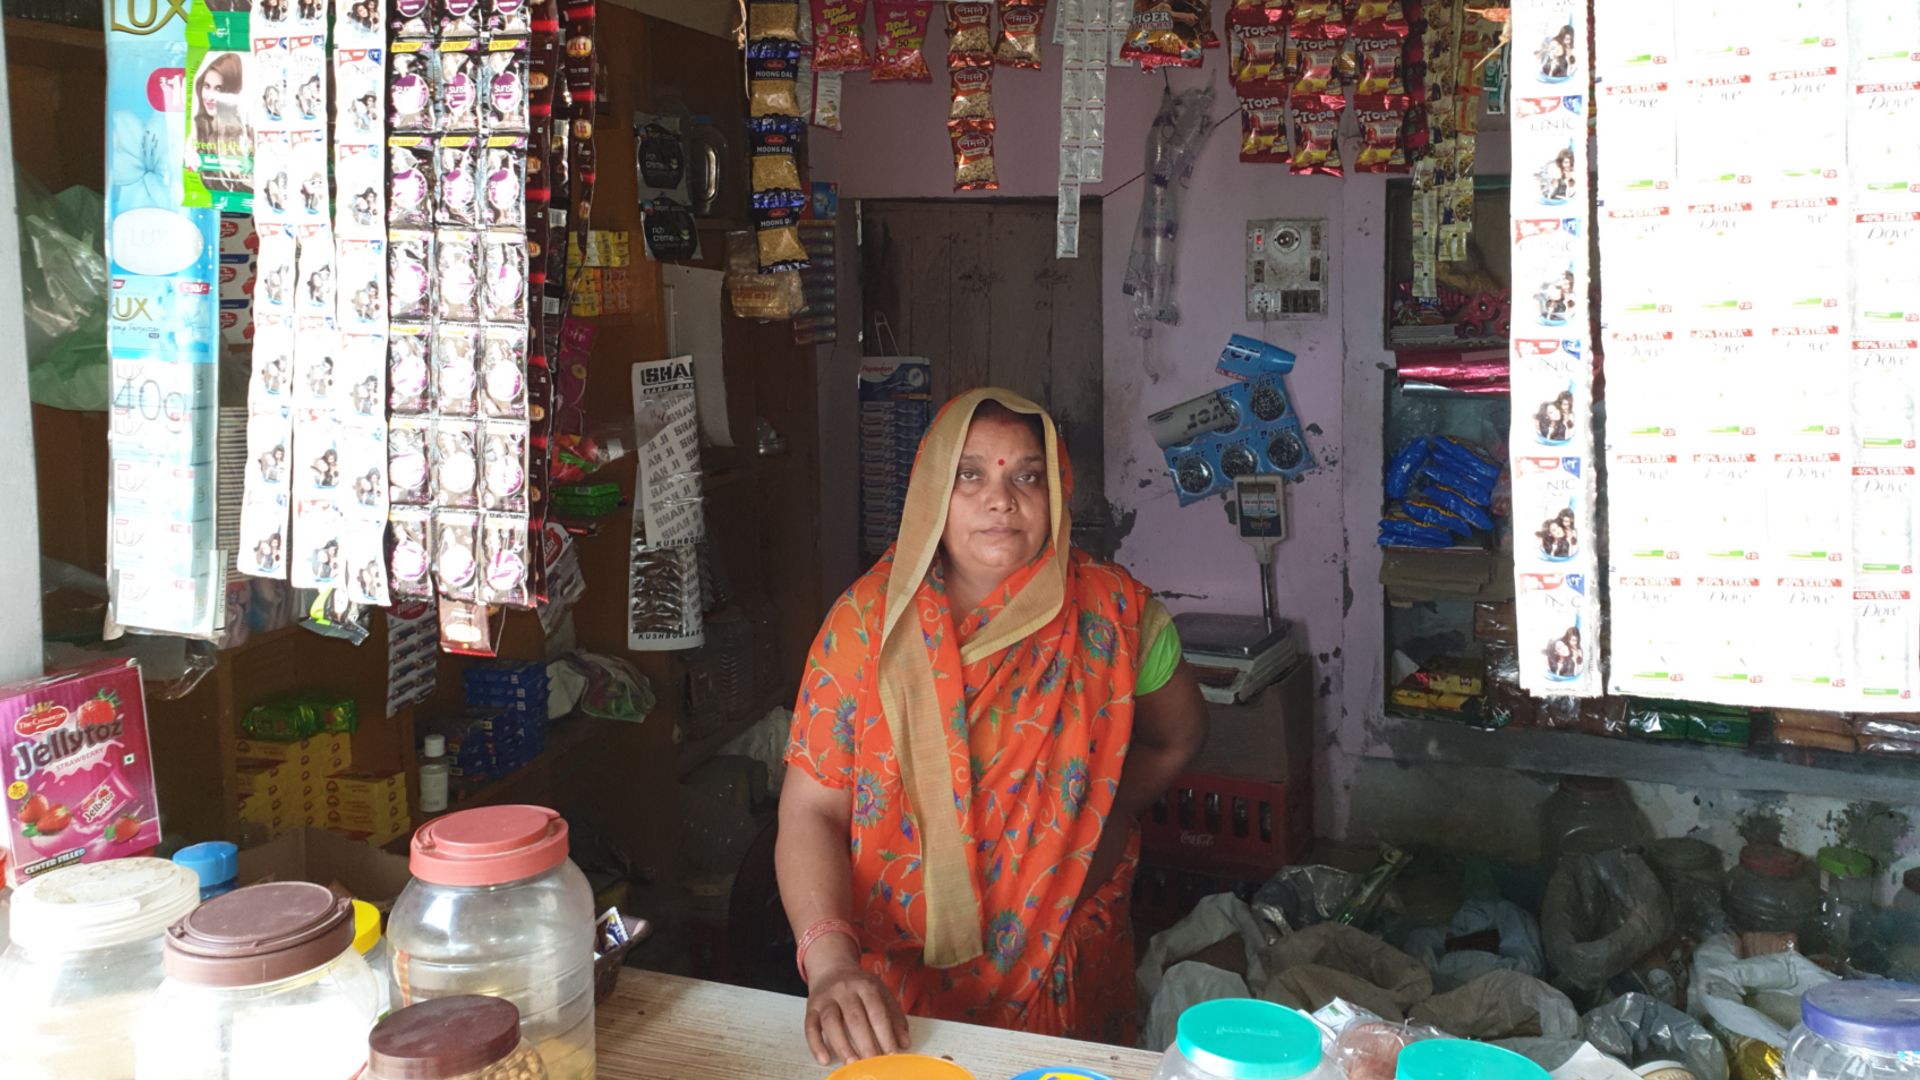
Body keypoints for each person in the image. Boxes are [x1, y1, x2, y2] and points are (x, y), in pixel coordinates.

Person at [778, 389, 1208, 1064]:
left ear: (1058, 490)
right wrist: (832, 962)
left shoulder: (1114, 614)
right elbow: (811, 809)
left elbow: (1177, 737)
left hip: (1065, 959)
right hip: (897, 983)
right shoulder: (866, 625)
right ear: (930, 494)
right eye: (969, 474)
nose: (999, 499)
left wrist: (1098, 814)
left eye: (1027, 476)